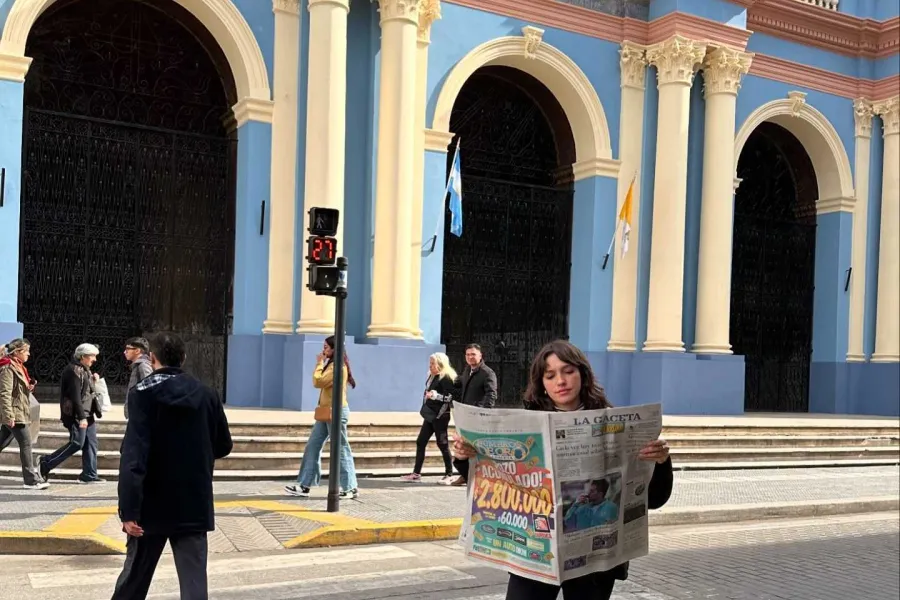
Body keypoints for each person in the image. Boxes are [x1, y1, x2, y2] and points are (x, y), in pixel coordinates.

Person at [453, 339, 673, 600]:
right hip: (534, 557)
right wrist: (465, 457)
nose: (561, 381)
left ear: (583, 373)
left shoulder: (617, 423)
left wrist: (660, 461)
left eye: (568, 371)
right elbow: (492, 485)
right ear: (542, 382)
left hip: (594, 564)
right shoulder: (524, 424)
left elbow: (655, 499)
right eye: (550, 375)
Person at [111, 332, 233, 600]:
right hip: (193, 502)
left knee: (134, 580)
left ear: (152, 358)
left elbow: (134, 456)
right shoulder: (207, 394)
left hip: (150, 505)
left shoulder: (142, 395)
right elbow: (224, 444)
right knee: (194, 586)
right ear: (184, 359)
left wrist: (128, 509)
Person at [284, 336, 360, 499]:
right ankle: (305, 485)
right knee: (313, 445)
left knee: (340, 449)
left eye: (326, 347)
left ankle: (350, 487)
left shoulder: (337, 366)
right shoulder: (332, 365)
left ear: (334, 349)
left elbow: (318, 381)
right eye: (323, 347)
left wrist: (319, 363)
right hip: (326, 412)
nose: (323, 350)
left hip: (336, 412)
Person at [39, 343, 104, 483]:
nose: (95, 359)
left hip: (88, 414)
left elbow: (86, 391)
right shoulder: (73, 371)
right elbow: (75, 396)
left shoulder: (84, 370)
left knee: (91, 444)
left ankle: (89, 474)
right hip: (76, 415)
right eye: (92, 356)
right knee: (76, 443)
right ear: (83, 357)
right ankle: (46, 463)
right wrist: (81, 418)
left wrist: (93, 380)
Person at [401, 352, 458, 485]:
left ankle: (449, 473)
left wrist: (435, 396)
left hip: (440, 415)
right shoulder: (432, 376)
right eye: (430, 363)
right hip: (430, 414)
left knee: (442, 443)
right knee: (421, 441)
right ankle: (416, 473)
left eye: (433, 363)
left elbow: (451, 397)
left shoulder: (447, 378)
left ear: (441, 364)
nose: (430, 366)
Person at [0, 338, 48, 490]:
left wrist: (29, 387)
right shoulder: (8, 367)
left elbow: (18, 389)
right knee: (26, 444)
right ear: (18, 352)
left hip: (19, 410)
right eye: (26, 351)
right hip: (15, 413)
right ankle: (30, 480)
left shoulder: (19, 366)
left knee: (2, 442)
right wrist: (8, 416)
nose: (29, 354)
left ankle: (31, 479)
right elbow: (4, 393)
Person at [450, 343, 497, 486]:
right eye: (468, 355)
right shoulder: (467, 371)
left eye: (473, 354)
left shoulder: (487, 373)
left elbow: (491, 395)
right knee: (461, 449)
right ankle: (465, 475)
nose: (470, 357)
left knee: (472, 450)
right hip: (465, 418)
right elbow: (459, 384)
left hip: (478, 419)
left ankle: (472, 477)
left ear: (480, 355)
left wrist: (479, 411)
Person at [124, 337, 153, 419]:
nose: (125, 352)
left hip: (140, 414)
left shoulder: (143, 366)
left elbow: (150, 389)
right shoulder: (137, 365)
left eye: (127, 349)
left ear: (137, 351)